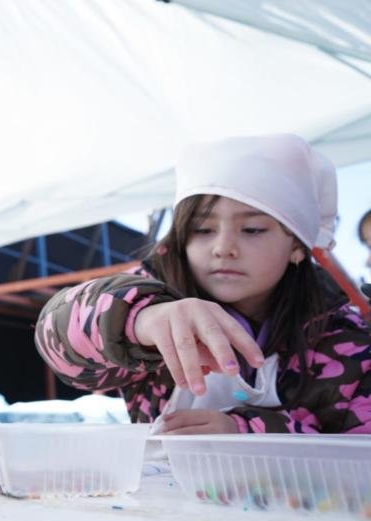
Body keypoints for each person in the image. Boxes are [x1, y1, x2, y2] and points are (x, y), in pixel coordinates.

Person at [35, 134, 371, 434]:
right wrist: (138, 320)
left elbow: (359, 453)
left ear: (297, 245)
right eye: (202, 229)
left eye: (252, 229)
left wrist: (247, 432)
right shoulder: (146, 296)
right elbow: (62, 349)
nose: (223, 247)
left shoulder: (348, 339)